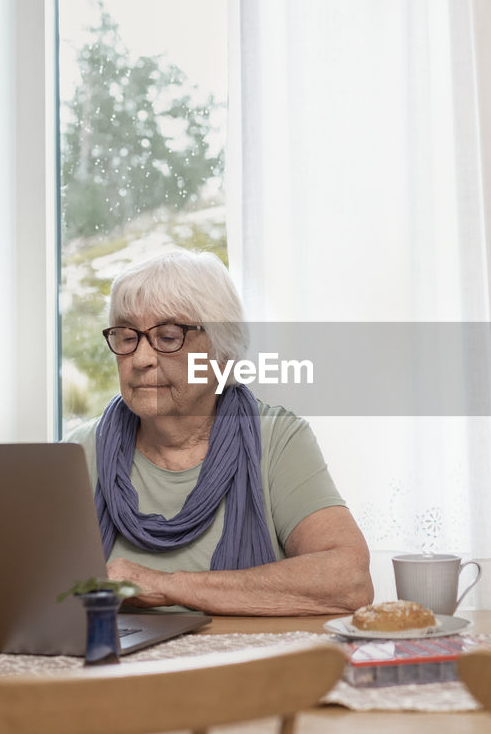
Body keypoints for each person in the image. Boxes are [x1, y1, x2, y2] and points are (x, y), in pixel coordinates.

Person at [66, 249, 374, 615]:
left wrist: (166, 586)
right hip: (116, 668)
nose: (141, 359)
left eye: (167, 337)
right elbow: (29, 592)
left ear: (222, 353)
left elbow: (349, 580)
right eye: (127, 336)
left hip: (244, 668)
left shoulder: (277, 438)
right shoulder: (80, 451)